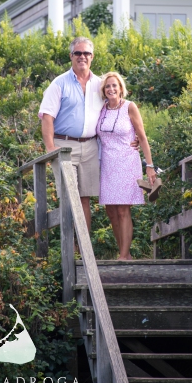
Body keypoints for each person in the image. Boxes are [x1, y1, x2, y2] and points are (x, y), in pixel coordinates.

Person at [39, 37, 104, 232]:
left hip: (92, 147)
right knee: (69, 195)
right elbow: (47, 117)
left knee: (85, 198)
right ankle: (71, 248)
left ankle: (85, 248)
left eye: (86, 53)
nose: (82, 57)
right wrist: (51, 148)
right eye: (78, 53)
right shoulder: (59, 83)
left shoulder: (100, 84)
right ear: (71, 56)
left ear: (92, 56)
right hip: (65, 145)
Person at [96, 71, 157, 261]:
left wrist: (150, 165)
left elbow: (143, 136)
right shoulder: (101, 109)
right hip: (106, 164)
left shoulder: (130, 107)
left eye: (114, 85)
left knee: (123, 209)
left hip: (126, 162)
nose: (111, 89)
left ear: (121, 88)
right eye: (107, 86)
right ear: (103, 90)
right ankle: (124, 251)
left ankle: (123, 256)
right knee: (111, 211)